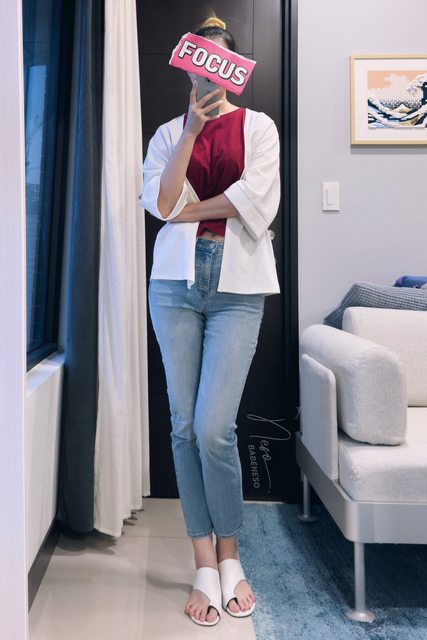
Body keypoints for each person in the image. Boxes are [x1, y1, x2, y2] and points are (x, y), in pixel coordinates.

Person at [140, 14, 280, 627]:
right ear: (188, 69)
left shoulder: (260, 128)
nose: (209, 74)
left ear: (234, 71)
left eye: (220, 64)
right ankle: (204, 561)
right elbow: (160, 203)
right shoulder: (168, 133)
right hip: (173, 289)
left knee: (213, 428)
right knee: (182, 425)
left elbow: (255, 201)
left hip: (238, 289)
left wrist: (189, 210)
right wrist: (192, 132)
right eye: (200, 63)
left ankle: (231, 554)